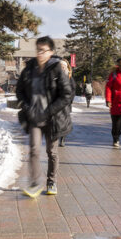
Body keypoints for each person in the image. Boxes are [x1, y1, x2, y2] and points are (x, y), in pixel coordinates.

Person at [15, 36, 73, 197]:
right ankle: (34, 183)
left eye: (43, 50)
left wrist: (50, 111)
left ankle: (51, 181)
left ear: (51, 52)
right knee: (33, 150)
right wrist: (27, 107)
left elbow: (66, 94)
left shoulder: (56, 69)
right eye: (38, 50)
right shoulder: (29, 68)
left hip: (52, 118)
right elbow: (19, 91)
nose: (39, 53)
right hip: (34, 117)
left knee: (51, 152)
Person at [57, 58, 73, 147]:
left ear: (66, 67)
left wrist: (70, 100)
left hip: (66, 104)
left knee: (64, 122)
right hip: (57, 103)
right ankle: (57, 136)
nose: (62, 68)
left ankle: (62, 139)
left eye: (63, 66)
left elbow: (73, 89)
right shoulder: (55, 76)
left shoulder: (69, 77)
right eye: (60, 66)